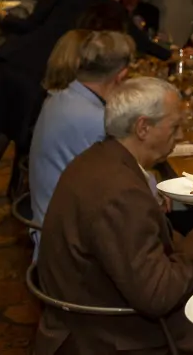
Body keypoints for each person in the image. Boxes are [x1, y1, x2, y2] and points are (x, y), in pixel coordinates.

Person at [0, 0, 170, 242]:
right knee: (24, 139)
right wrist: (171, 54)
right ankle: (19, 200)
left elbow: (29, 24)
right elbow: (143, 43)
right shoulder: (109, 8)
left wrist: (2, 18)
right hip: (34, 72)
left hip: (10, 61)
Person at [34, 77, 193, 353]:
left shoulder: (99, 159)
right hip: (112, 338)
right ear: (143, 127)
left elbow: (148, 243)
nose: (180, 136)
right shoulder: (120, 192)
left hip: (91, 312)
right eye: (174, 127)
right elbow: (158, 296)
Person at [29, 30, 134, 257]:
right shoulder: (94, 118)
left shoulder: (61, 97)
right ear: (120, 76)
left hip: (51, 225)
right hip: (67, 247)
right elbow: (129, 188)